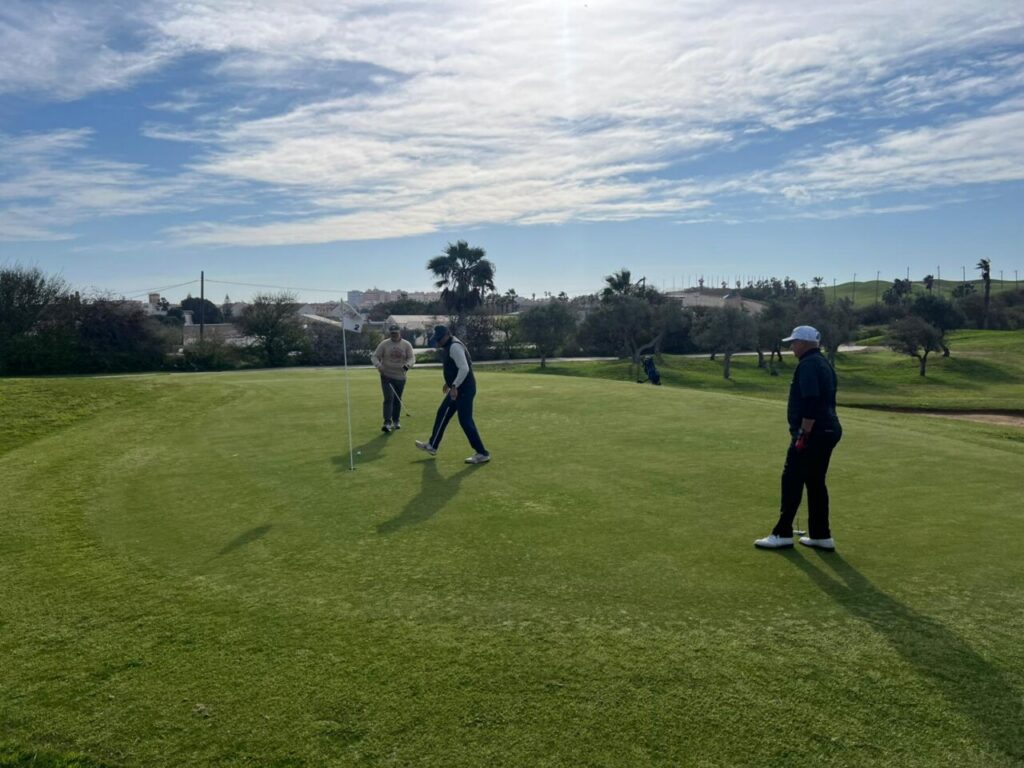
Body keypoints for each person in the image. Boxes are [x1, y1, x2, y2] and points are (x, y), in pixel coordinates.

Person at [755, 325, 842, 551]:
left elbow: (811, 401)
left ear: (804, 343)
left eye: (794, 342)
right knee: (815, 483)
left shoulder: (808, 365)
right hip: (829, 430)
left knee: (792, 479)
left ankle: (782, 533)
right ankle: (821, 536)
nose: (792, 346)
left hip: (814, 433)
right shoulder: (823, 363)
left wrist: (803, 434)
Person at [415, 324, 491, 464]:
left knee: (465, 421)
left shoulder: (455, 346)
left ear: (446, 335)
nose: (438, 342)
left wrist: (454, 385)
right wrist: (450, 383)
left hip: (464, 389)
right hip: (458, 387)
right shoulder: (450, 345)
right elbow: (457, 367)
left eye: (439, 339)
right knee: (442, 413)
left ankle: (482, 453)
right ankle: (432, 445)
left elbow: (464, 368)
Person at [370, 324, 415, 433]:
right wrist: (378, 365)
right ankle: (387, 422)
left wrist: (408, 365)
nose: (394, 335)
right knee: (388, 398)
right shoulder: (384, 344)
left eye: (396, 333)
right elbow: (374, 356)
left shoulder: (406, 344)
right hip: (386, 375)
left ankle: (396, 421)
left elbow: (412, 358)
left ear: (400, 333)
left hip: (400, 376)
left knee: (397, 399)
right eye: (392, 333)